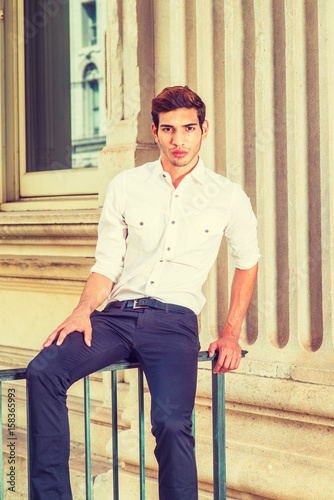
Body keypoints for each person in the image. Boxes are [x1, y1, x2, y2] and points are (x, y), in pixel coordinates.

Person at [26, 85, 260, 500]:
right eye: (168, 129)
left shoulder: (227, 196)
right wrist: (83, 310)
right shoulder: (126, 185)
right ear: (155, 132)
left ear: (204, 130)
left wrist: (230, 333)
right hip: (116, 317)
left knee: (171, 422)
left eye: (188, 128)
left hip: (174, 323)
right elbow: (107, 262)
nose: (178, 139)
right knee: (44, 371)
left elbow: (248, 262)